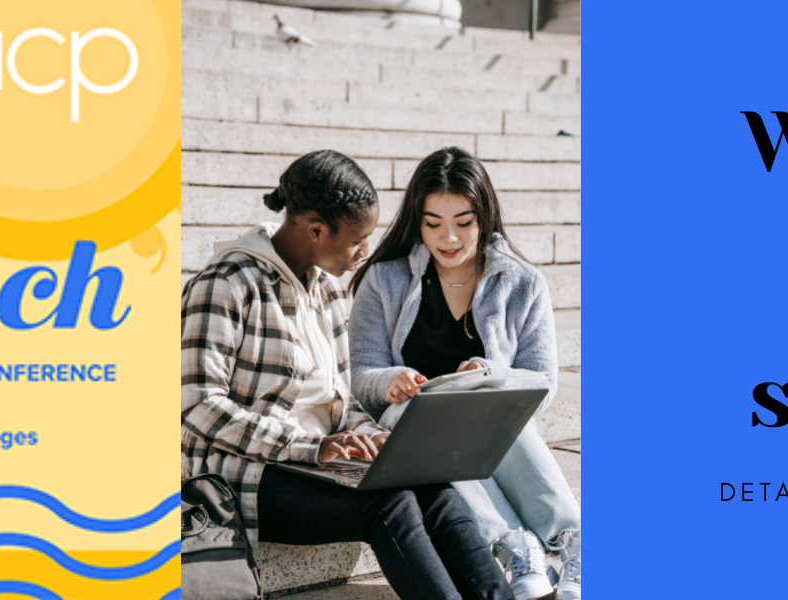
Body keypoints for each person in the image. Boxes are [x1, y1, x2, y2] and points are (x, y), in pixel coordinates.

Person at [181, 149, 517, 600]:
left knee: (432, 487)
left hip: (319, 465)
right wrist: (313, 448)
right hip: (242, 475)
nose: (365, 253)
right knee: (390, 504)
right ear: (316, 229)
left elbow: (345, 402)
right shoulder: (226, 284)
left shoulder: (329, 292)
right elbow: (197, 406)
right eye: (358, 240)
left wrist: (371, 436)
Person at [348, 147, 582, 600]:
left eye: (464, 222)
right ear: (416, 221)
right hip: (414, 419)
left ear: (485, 217)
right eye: (433, 223)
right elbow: (362, 373)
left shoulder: (523, 282)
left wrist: (490, 372)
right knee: (410, 418)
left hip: (490, 419)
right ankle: (515, 545)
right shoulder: (384, 280)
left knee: (496, 402)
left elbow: (540, 380)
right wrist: (390, 379)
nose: (448, 237)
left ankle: (575, 543)